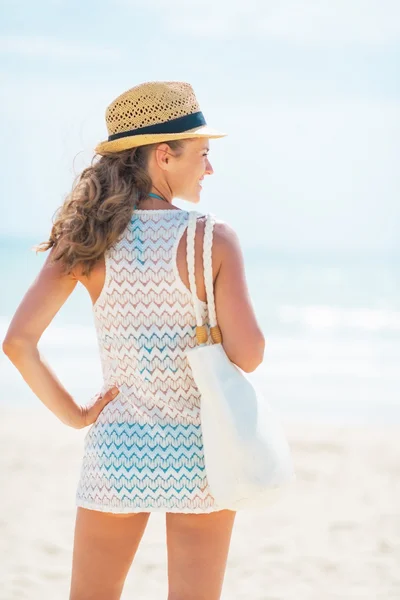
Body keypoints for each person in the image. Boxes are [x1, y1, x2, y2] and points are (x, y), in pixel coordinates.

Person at [3, 81, 265, 600]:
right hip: (201, 449)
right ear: (163, 154)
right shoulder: (212, 238)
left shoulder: (85, 239)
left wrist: (75, 415)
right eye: (203, 154)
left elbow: (17, 342)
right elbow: (250, 356)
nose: (209, 169)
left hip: (118, 447)